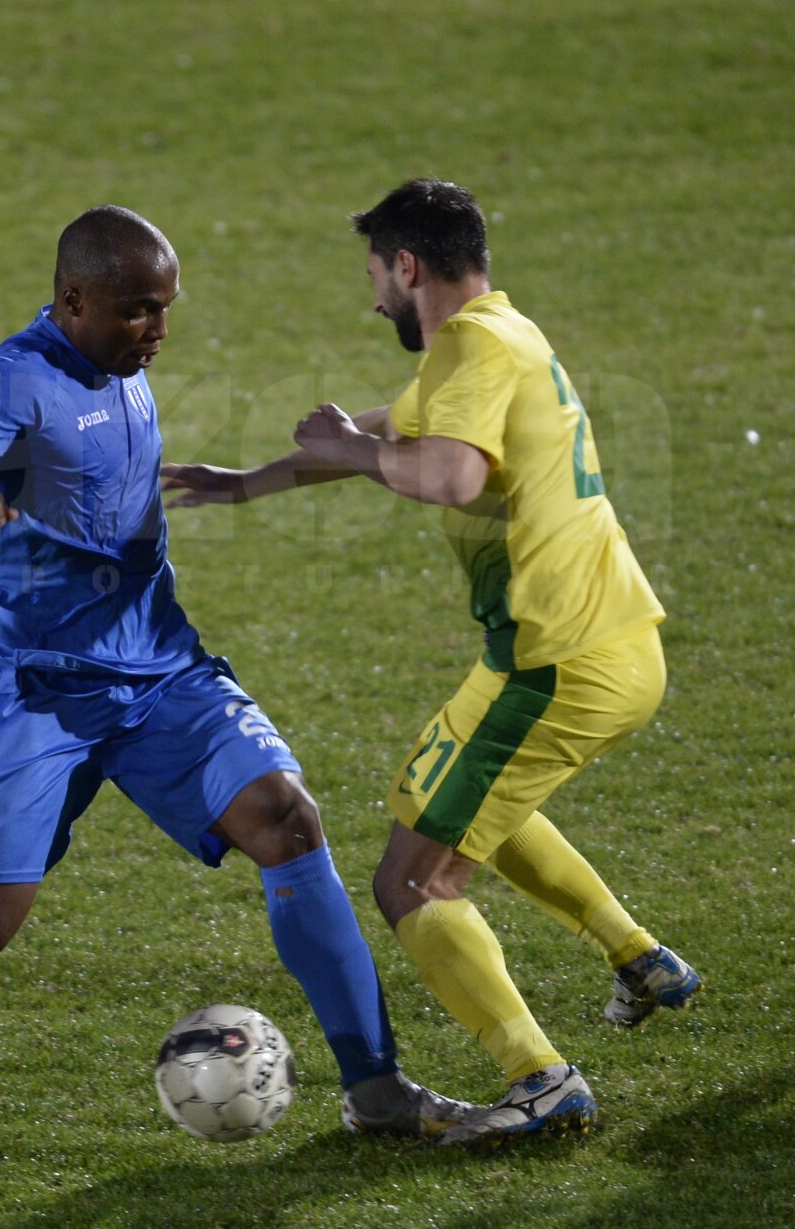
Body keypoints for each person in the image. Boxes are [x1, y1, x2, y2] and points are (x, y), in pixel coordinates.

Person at [0, 203, 482, 1140]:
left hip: (161, 674)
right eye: (138, 312)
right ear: (73, 299)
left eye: (165, 311)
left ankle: (378, 1092)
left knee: (287, 818)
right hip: (39, 700)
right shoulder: (12, 383)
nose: (157, 332)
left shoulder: (117, 363)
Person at [162, 179, 700, 1150]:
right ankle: (640, 958)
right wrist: (258, 481)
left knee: (411, 879)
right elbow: (387, 431)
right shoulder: (507, 335)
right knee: (466, 799)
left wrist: (349, 454)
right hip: (609, 646)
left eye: (374, 277)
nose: (372, 300)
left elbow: (444, 470)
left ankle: (540, 1081)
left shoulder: (472, 346)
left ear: (407, 267)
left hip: (555, 663)